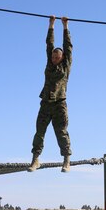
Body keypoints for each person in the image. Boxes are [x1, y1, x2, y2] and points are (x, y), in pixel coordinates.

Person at [28, 15, 72, 173]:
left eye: (57, 57)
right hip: (45, 103)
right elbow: (49, 44)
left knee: (61, 132)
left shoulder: (66, 66)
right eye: (53, 57)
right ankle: (35, 160)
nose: (54, 59)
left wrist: (65, 26)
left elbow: (68, 46)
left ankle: (67, 160)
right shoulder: (49, 62)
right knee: (39, 132)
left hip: (59, 103)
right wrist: (51, 24)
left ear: (62, 58)